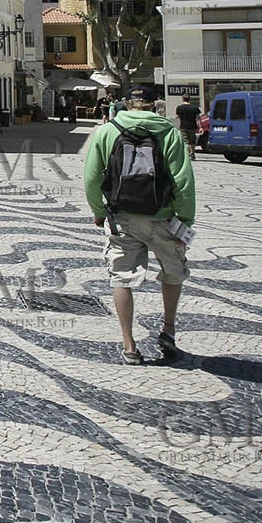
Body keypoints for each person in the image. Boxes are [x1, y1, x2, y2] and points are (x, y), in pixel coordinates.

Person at [84, 82, 196, 365]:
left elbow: (91, 178)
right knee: (173, 273)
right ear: (155, 103)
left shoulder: (108, 131)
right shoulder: (168, 132)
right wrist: (185, 220)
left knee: (122, 278)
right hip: (163, 216)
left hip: (122, 218)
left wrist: (99, 211)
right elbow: (182, 181)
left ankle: (129, 344)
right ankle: (168, 330)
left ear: (125, 103)